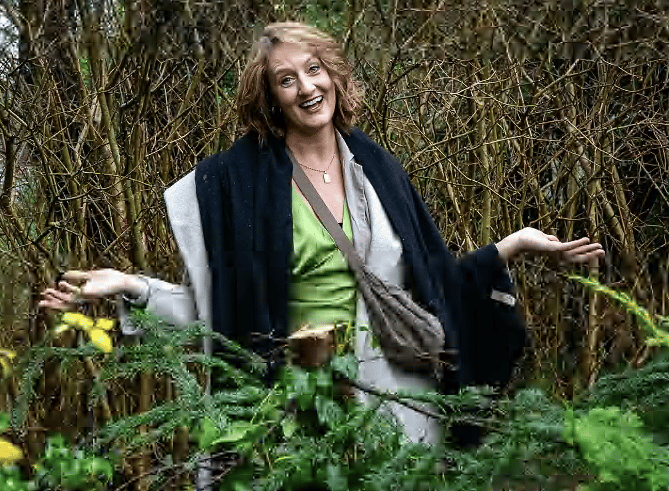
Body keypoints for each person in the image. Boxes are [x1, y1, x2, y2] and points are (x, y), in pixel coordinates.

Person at [39, 22, 604, 447]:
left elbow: (432, 287)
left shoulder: (379, 169)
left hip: (406, 402)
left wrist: (514, 246)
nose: (306, 88)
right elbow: (221, 317)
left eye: (315, 70)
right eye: (287, 79)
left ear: (334, 74)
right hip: (301, 409)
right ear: (269, 97)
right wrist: (130, 286)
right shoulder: (239, 188)